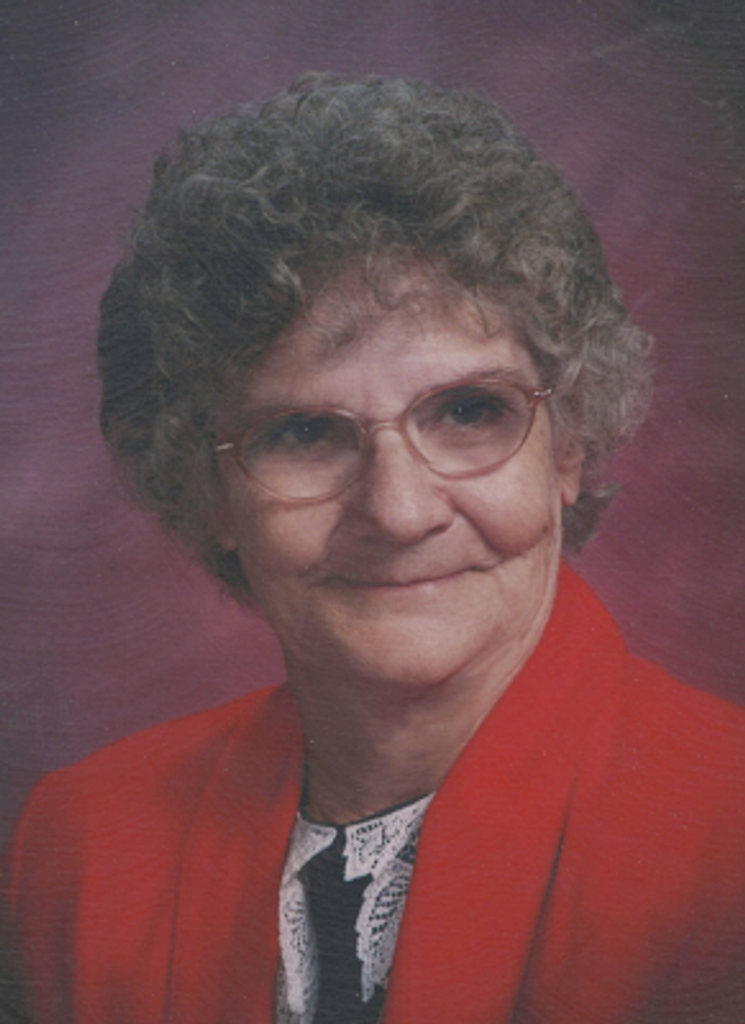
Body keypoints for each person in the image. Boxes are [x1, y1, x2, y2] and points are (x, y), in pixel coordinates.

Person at [3, 73, 745, 1024]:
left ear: (568, 446)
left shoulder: (725, 840)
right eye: (305, 433)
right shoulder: (81, 846)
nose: (397, 512)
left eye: (469, 412)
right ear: (207, 491)